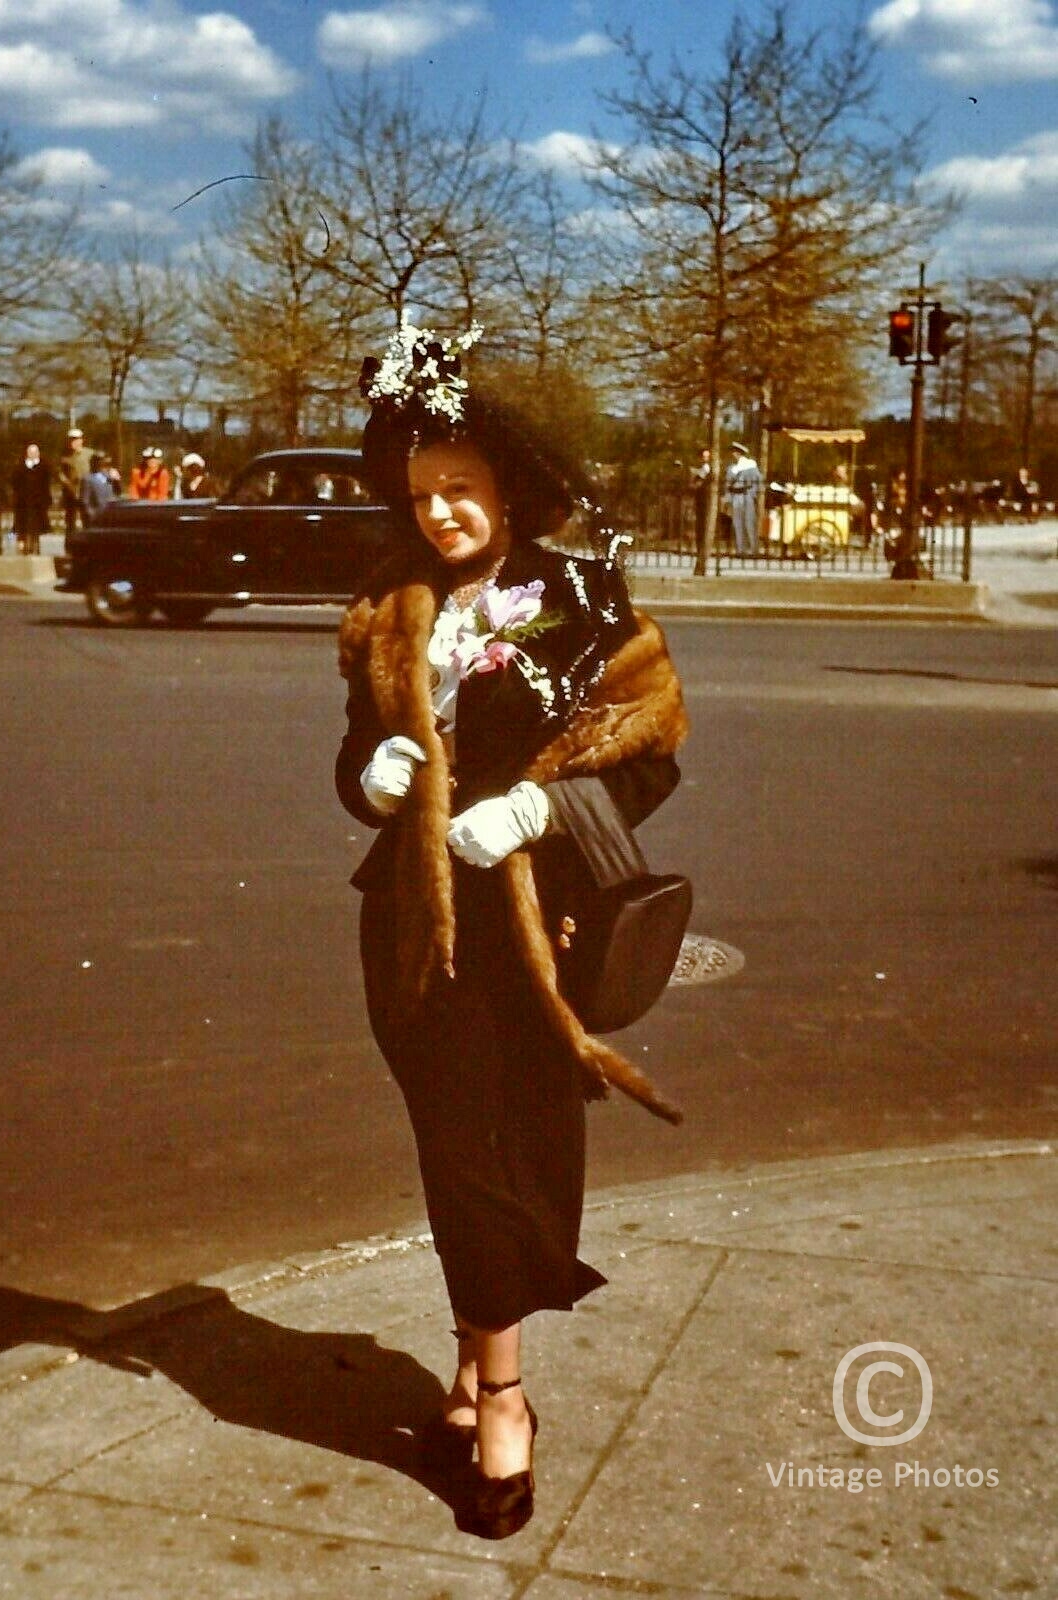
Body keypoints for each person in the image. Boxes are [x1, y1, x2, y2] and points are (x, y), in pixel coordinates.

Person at [335, 320, 687, 1541]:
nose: (439, 515)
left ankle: (490, 1384)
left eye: (461, 490)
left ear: (507, 489)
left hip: (534, 923)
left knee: (511, 1150)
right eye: (421, 494)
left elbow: (649, 750)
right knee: (456, 1149)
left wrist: (541, 803)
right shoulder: (386, 604)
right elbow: (349, 758)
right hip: (410, 922)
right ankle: (490, 1382)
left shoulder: (579, 596)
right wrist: (374, 779)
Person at [11, 443, 52, 554]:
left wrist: (47, 499)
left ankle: (35, 546)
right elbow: (14, 484)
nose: (33, 455)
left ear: (38, 453)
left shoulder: (44, 466)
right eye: (31, 452)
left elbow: (46, 484)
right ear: (27, 454)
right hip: (22, 502)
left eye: (35, 452)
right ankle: (23, 545)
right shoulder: (19, 467)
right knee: (22, 525)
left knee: (37, 526)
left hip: (38, 502)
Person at [722, 441, 762, 555]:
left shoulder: (750, 465)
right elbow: (727, 485)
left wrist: (753, 494)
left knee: (749, 522)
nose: (733, 454)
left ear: (740, 453)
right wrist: (728, 499)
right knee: (737, 523)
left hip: (747, 495)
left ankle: (754, 550)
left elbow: (758, 481)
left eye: (736, 452)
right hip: (736, 497)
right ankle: (741, 550)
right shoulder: (731, 468)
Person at [58, 428, 93, 535]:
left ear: (81, 440)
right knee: (70, 521)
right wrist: (67, 484)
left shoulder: (89, 454)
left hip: (86, 491)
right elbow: (61, 473)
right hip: (70, 492)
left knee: (87, 519)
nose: (73, 442)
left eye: (76, 439)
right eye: (71, 440)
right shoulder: (65, 457)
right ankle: (70, 546)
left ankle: (89, 545)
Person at [80, 452, 119, 522]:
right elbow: (84, 501)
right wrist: (91, 514)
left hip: (109, 515)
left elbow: (115, 493)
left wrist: (116, 481)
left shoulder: (107, 476)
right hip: (96, 516)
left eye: (102, 460)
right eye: (98, 460)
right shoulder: (87, 479)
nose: (100, 463)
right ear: (92, 462)